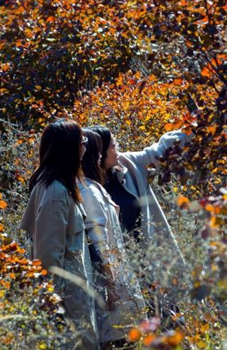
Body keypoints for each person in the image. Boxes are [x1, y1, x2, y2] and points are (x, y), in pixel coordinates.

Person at [86, 125, 190, 315]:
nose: (117, 148)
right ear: (97, 155)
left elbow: (159, 152)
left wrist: (194, 128)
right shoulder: (85, 188)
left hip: (147, 264)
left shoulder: (129, 164)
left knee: (167, 319)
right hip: (116, 273)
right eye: (112, 146)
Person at [20, 119, 98, 349]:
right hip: (66, 301)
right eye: (81, 141)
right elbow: (47, 256)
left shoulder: (62, 186)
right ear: (70, 149)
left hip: (73, 295)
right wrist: (54, 305)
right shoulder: (54, 192)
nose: (84, 146)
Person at [79, 129, 146, 347]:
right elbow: (98, 241)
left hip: (117, 280)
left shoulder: (94, 187)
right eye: (98, 151)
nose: (100, 156)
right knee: (119, 337)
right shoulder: (88, 191)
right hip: (111, 286)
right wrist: (112, 286)